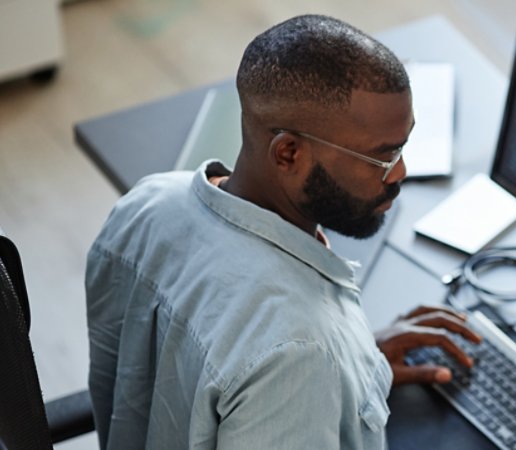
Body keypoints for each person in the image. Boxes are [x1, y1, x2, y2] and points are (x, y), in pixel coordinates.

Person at [85, 14, 479, 449]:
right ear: (288, 153)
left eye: (403, 146)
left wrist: (356, 365)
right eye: (382, 158)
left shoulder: (146, 203)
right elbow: (278, 356)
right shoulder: (300, 353)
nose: (400, 173)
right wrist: (320, 371)